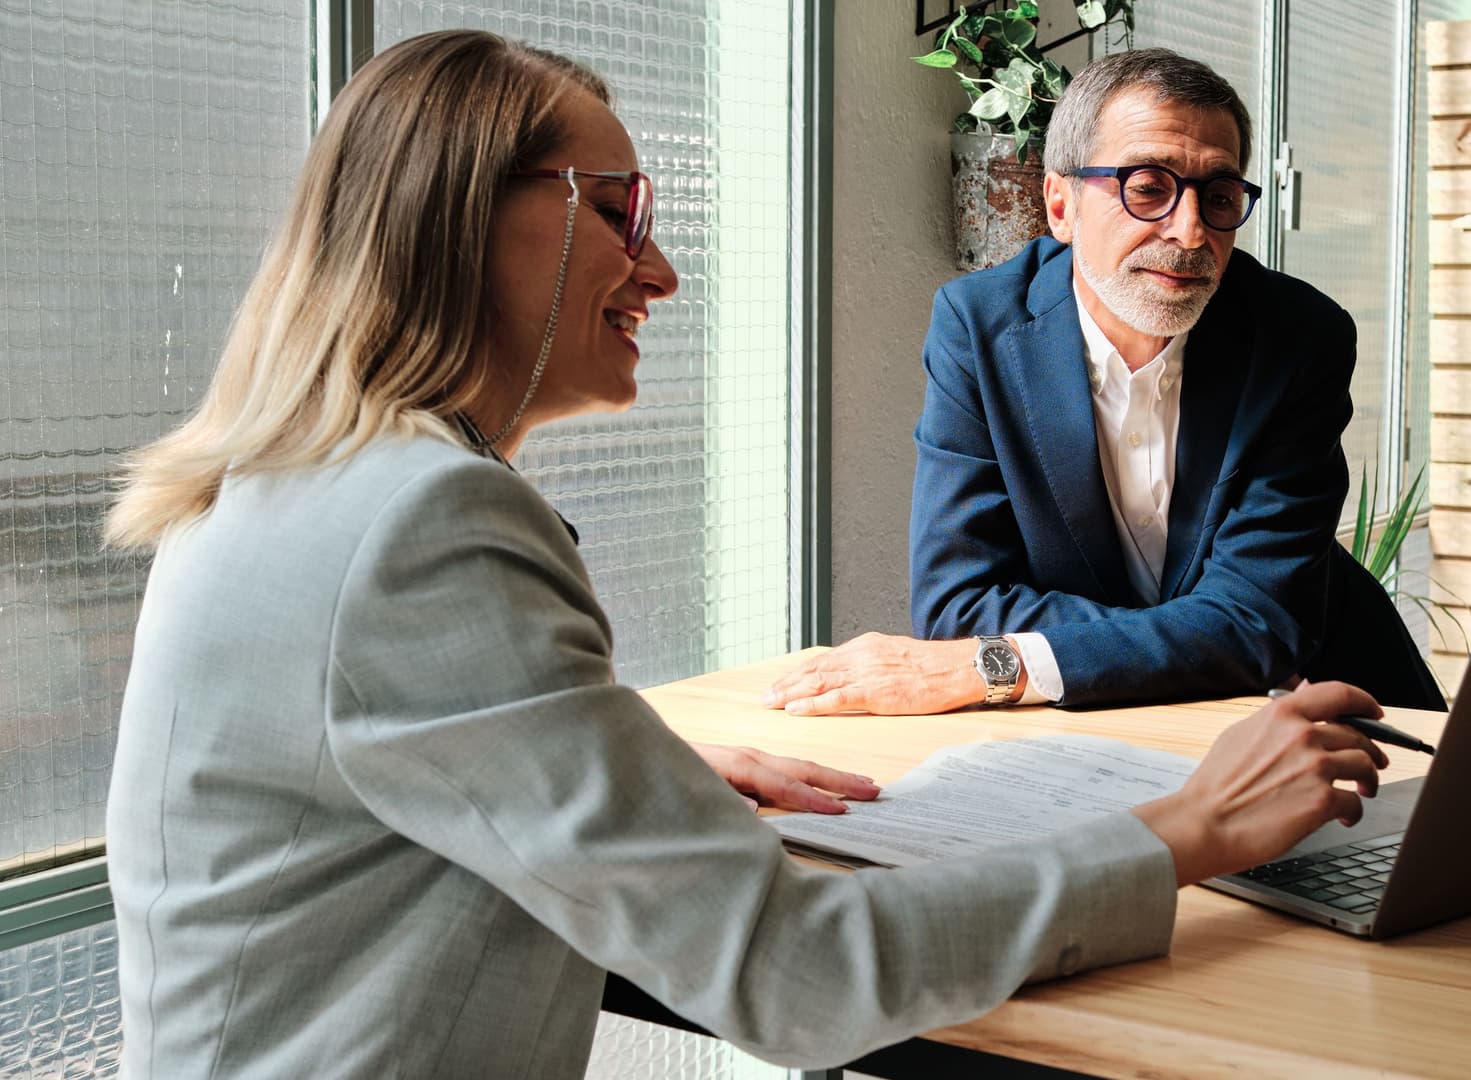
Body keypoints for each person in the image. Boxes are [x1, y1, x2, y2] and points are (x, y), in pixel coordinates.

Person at [101, 31, 1386, 1078]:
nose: (658, 268)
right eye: (619, 211)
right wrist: (1186, 831)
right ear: (457, 223)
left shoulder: (284, 479)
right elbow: (797, 973)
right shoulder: (423, 524)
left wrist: (614, 763)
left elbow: (360, 769)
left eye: (1221, 192)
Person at [765, 49, 1355, 716]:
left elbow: (1256, 621)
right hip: (1079, 730)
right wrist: (1184, 636)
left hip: (1301, 708)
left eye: (1218, 196)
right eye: (1148, 186)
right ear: (1060, 205)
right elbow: (958, 603)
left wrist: (1011, 660)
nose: (1191, 232)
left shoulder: (1300, 339)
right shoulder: (979, 329)